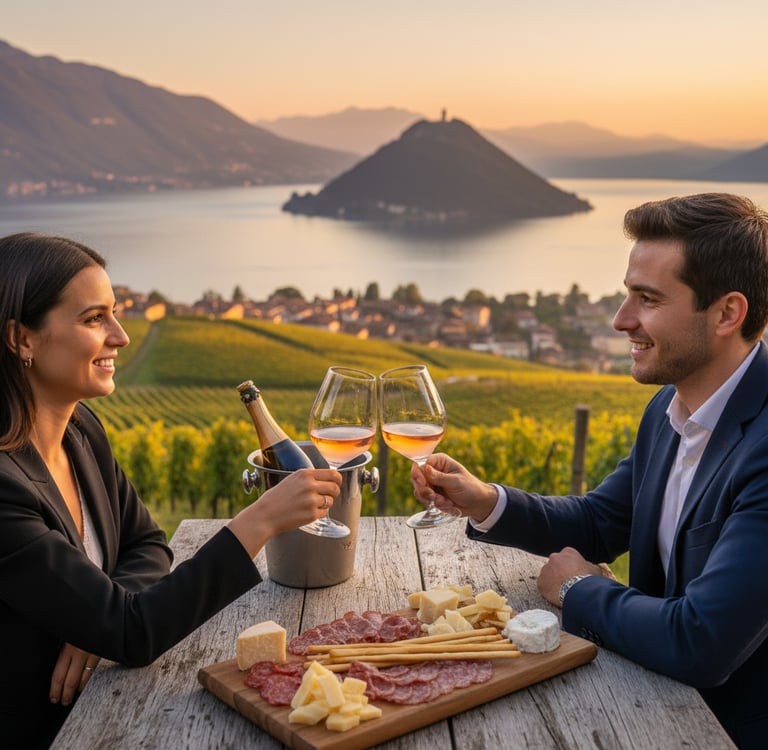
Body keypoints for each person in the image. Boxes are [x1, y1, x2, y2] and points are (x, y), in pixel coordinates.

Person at [411, 193, 768, 750]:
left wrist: (578, 588)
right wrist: (485, 500)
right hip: (653, 701)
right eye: (628, 294)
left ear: (727, 313)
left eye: (648, 299)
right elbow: (601, 522)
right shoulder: (671, 408)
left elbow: (702, 642)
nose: (622, 319)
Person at [0, 232, 342, 749]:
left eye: (116, 314)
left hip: (101, 712)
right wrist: (259, 520)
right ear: (21, 339)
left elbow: (147, 544)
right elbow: (134, 635)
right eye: (94, 319)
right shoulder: (3, 490)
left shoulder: (81, 432)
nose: (121, 336)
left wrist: (96, 620)